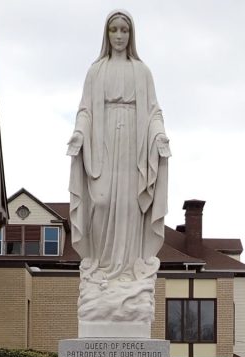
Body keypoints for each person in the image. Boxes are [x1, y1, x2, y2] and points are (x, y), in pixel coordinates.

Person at [67, 10, 170, 333]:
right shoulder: (96, 71)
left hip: (133, 148)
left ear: (131, 34)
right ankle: (102, 269)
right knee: (101, 202)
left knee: (129, 206)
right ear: (107, 34)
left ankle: (127, 274)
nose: (120, 35)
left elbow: (153, 112)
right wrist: (80, 134)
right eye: (114, 29)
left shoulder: (142, 72)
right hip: (103, 143)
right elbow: (85, 110)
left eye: (125, 29)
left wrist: (159, 136)